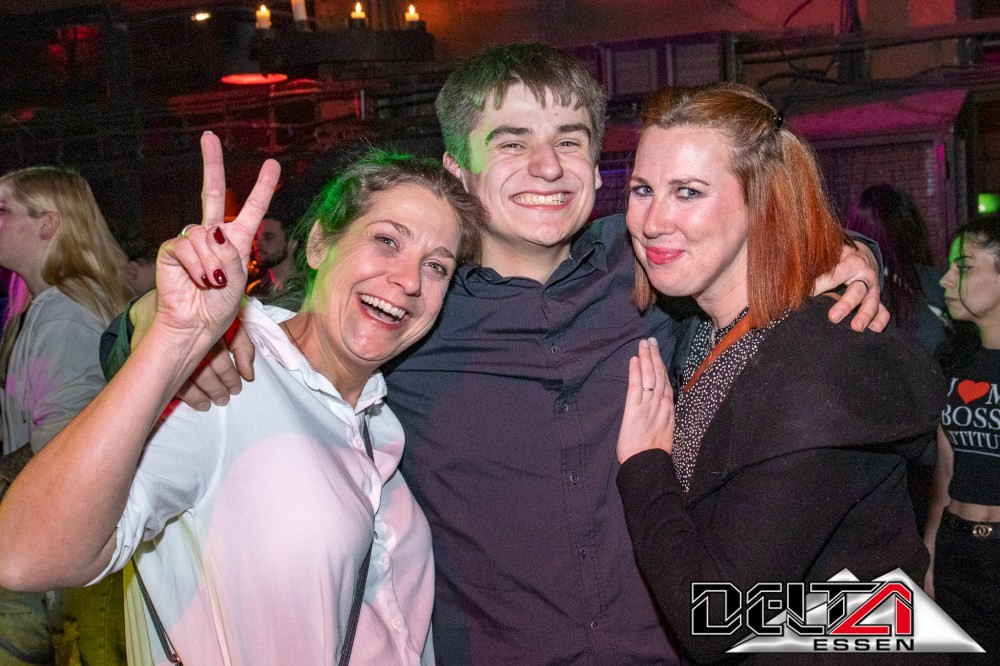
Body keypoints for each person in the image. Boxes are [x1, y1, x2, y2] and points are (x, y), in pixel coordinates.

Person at [98, 44, 887, 665]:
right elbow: (262, 341)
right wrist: (146, 320)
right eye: (512, 143)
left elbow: (751, 245)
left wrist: (847, 256)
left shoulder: (653, 273)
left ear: (595, 165)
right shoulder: (404, 312)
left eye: (569, 141)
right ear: (459, 170)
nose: (547, 167)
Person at [0, 133, 486, 665]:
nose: (409, 280)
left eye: (437, 266)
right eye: (387, 241)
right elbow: (25, 554)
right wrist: (173, 339)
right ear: (318, 244)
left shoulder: (383, 424)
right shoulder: (226, 381)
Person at [613, 84, 946, 664]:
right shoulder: (702, 326)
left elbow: (717, 619)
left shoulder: (815, 365)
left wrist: (644, 466)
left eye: (688, 192)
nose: (653, 220)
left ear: (762, 203)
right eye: (643, 189)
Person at [0, 166, 130, 666]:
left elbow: (63, 442)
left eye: (4, 210)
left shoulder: (64, 314)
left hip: (69, 555)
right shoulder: (44, 307)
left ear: (48, 224)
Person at [923, 219, 1000, 661]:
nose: (945, 279)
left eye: (964, 266)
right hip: (959, 548)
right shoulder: (954, 361)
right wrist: (930, 555)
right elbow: (946, 473)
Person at [247, 214, 296, 300]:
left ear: (291, 244)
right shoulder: (255, 291)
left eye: (268, 238)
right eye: (256, 237)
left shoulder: (307, 288)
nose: (257, 244)